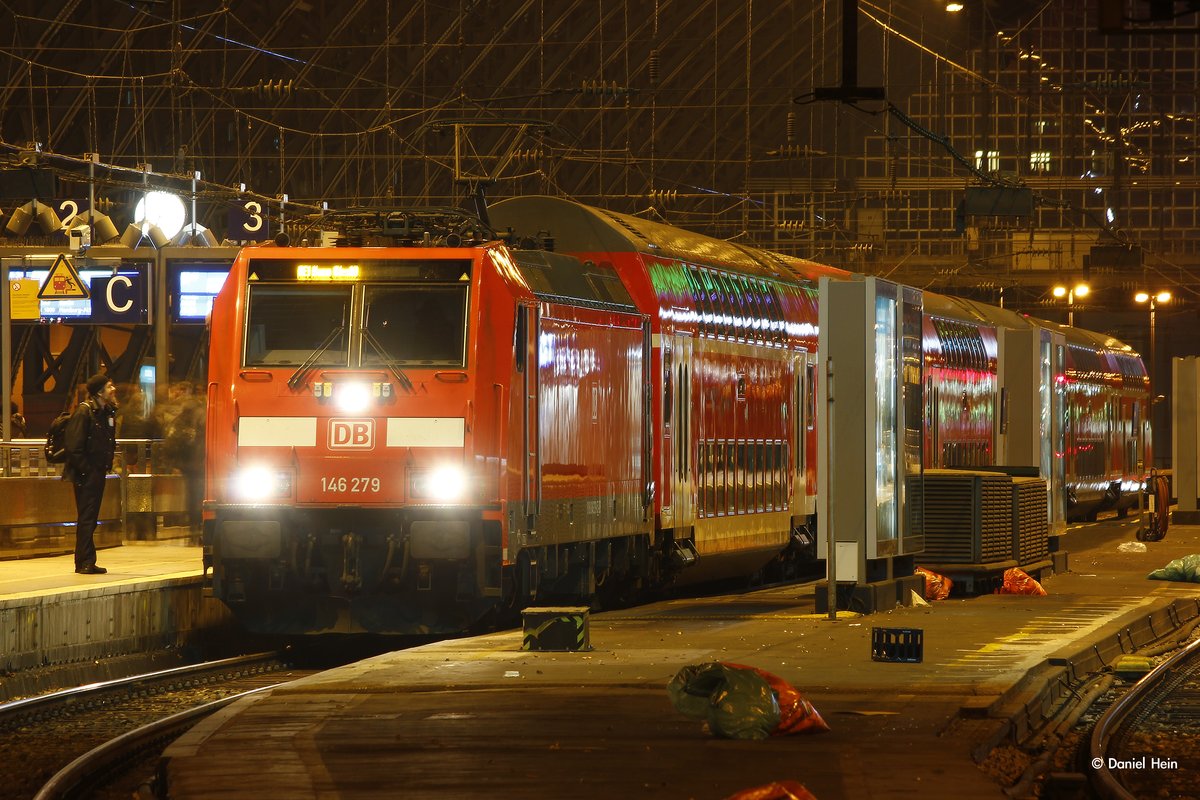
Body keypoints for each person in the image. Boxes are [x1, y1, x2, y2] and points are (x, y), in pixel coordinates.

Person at [63, 373, 118, 575]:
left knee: (91, 517)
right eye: (109, 386)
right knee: (87, 517)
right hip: (86, 474)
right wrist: (87, 470)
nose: (113, 389)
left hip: (98, 471)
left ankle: (88, 559)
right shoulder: (84, 412)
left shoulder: (106, 412)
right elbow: (73, 447)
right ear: (100, 392)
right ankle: (84, 561)